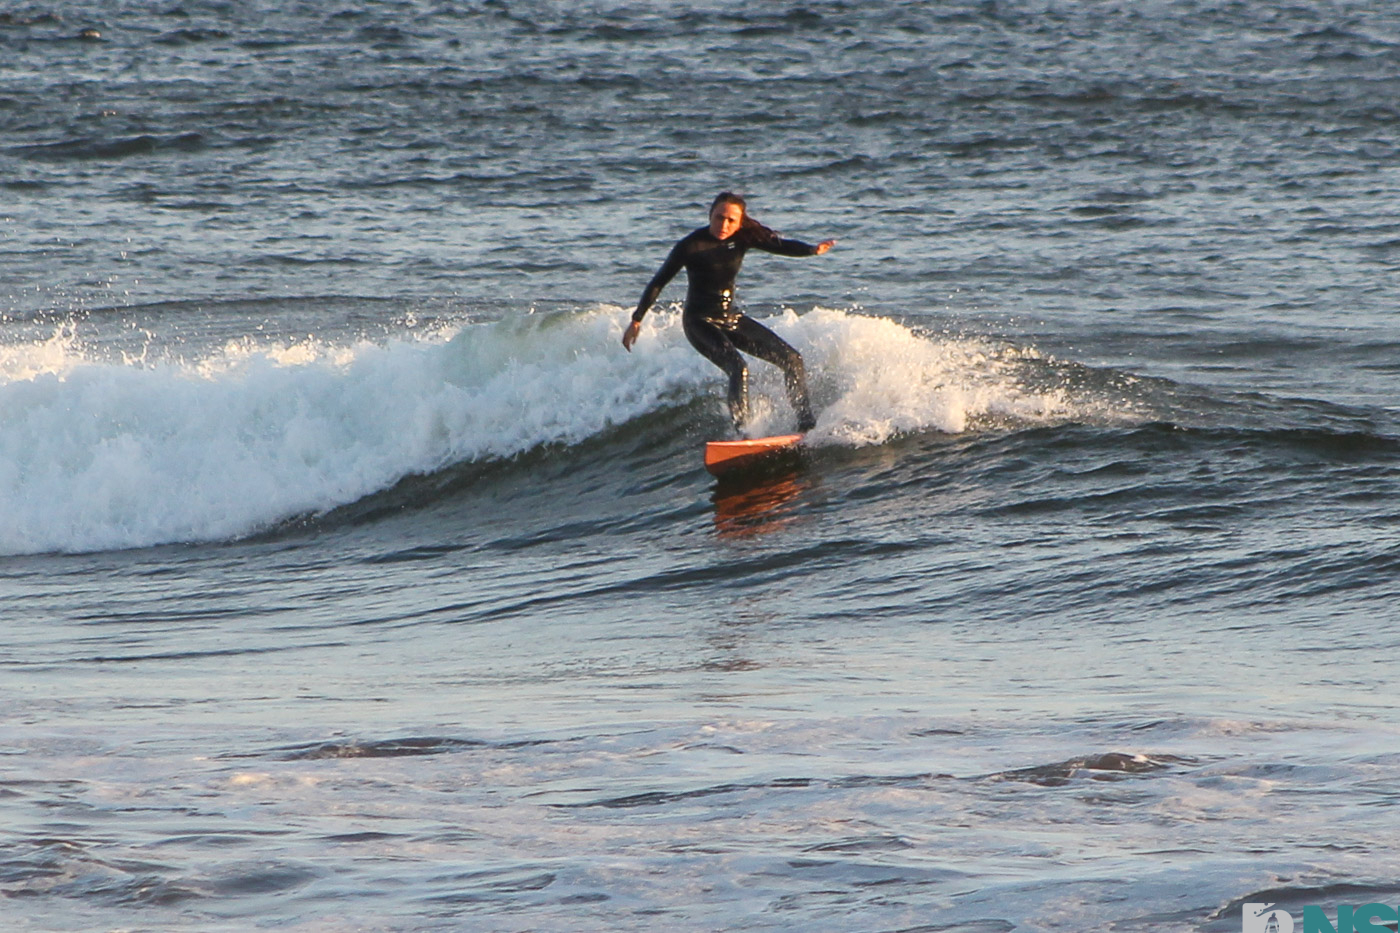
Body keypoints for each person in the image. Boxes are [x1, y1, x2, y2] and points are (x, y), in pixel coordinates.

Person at [622, 192, 835, 433]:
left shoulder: (743, 237)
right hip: (698, 322)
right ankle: (744, 431)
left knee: (792, 360)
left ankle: (806, 425)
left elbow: (781, 246)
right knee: (738, 368)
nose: (724, 225)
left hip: (729, 317)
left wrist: (811, 250)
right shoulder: (690, 245)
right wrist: (636, 320)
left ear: (740, 222)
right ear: (710, 215)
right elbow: (658, 282)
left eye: (731, 220)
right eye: (719, 218)